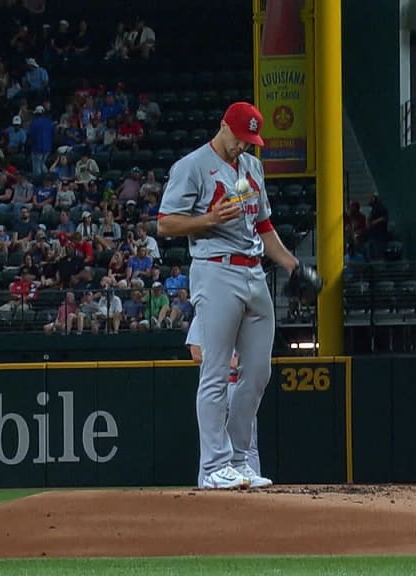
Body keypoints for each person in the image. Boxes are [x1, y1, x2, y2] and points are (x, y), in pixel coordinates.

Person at [157, 102, 298, 490]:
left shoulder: (252, 167)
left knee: (257, 373)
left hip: (254, 271)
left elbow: (264, 224)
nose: (243, 146)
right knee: (216, 371)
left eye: (250, 140)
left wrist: (290, 264)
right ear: (223, 127)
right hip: (215, 268)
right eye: (239, 138)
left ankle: (237, 460)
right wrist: (207, 220)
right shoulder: (192, 166)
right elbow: (165, 223)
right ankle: (213, 466)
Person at [185, 316, 260, 486]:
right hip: (215, 388)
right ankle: (206, 485)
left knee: (249, 442)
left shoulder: (242, 320)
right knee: (212, 441)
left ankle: (253, 484)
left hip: (238, 385)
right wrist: (226, 362)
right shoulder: (202, 317)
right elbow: (196, 354)